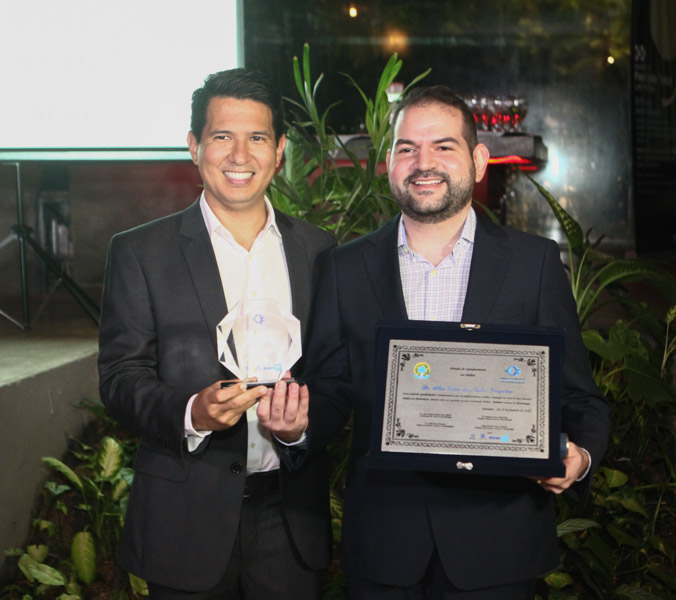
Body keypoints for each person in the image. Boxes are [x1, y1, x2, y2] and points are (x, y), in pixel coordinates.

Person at [302, 85, 611, 599]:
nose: (424, 163)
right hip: (384, 542)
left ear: (479, 159)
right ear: (389, 162)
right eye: (407, 148)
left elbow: (580, 399)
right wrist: (297, 425)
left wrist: (580, 458)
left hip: (497, 543)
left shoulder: (533, 264)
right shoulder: (343, 268)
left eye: (443, 146)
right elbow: (330, 391)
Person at [98, 68, 335, 599]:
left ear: (279, 151)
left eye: (257, 138)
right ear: (194, 146)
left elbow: (335, 374)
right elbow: (119, 378)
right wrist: (192, 413)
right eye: (222, 136)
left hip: (290, 518)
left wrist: (299, 428)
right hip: (185, 519)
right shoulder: (141, 252)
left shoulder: (319, 251)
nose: (240, 155)